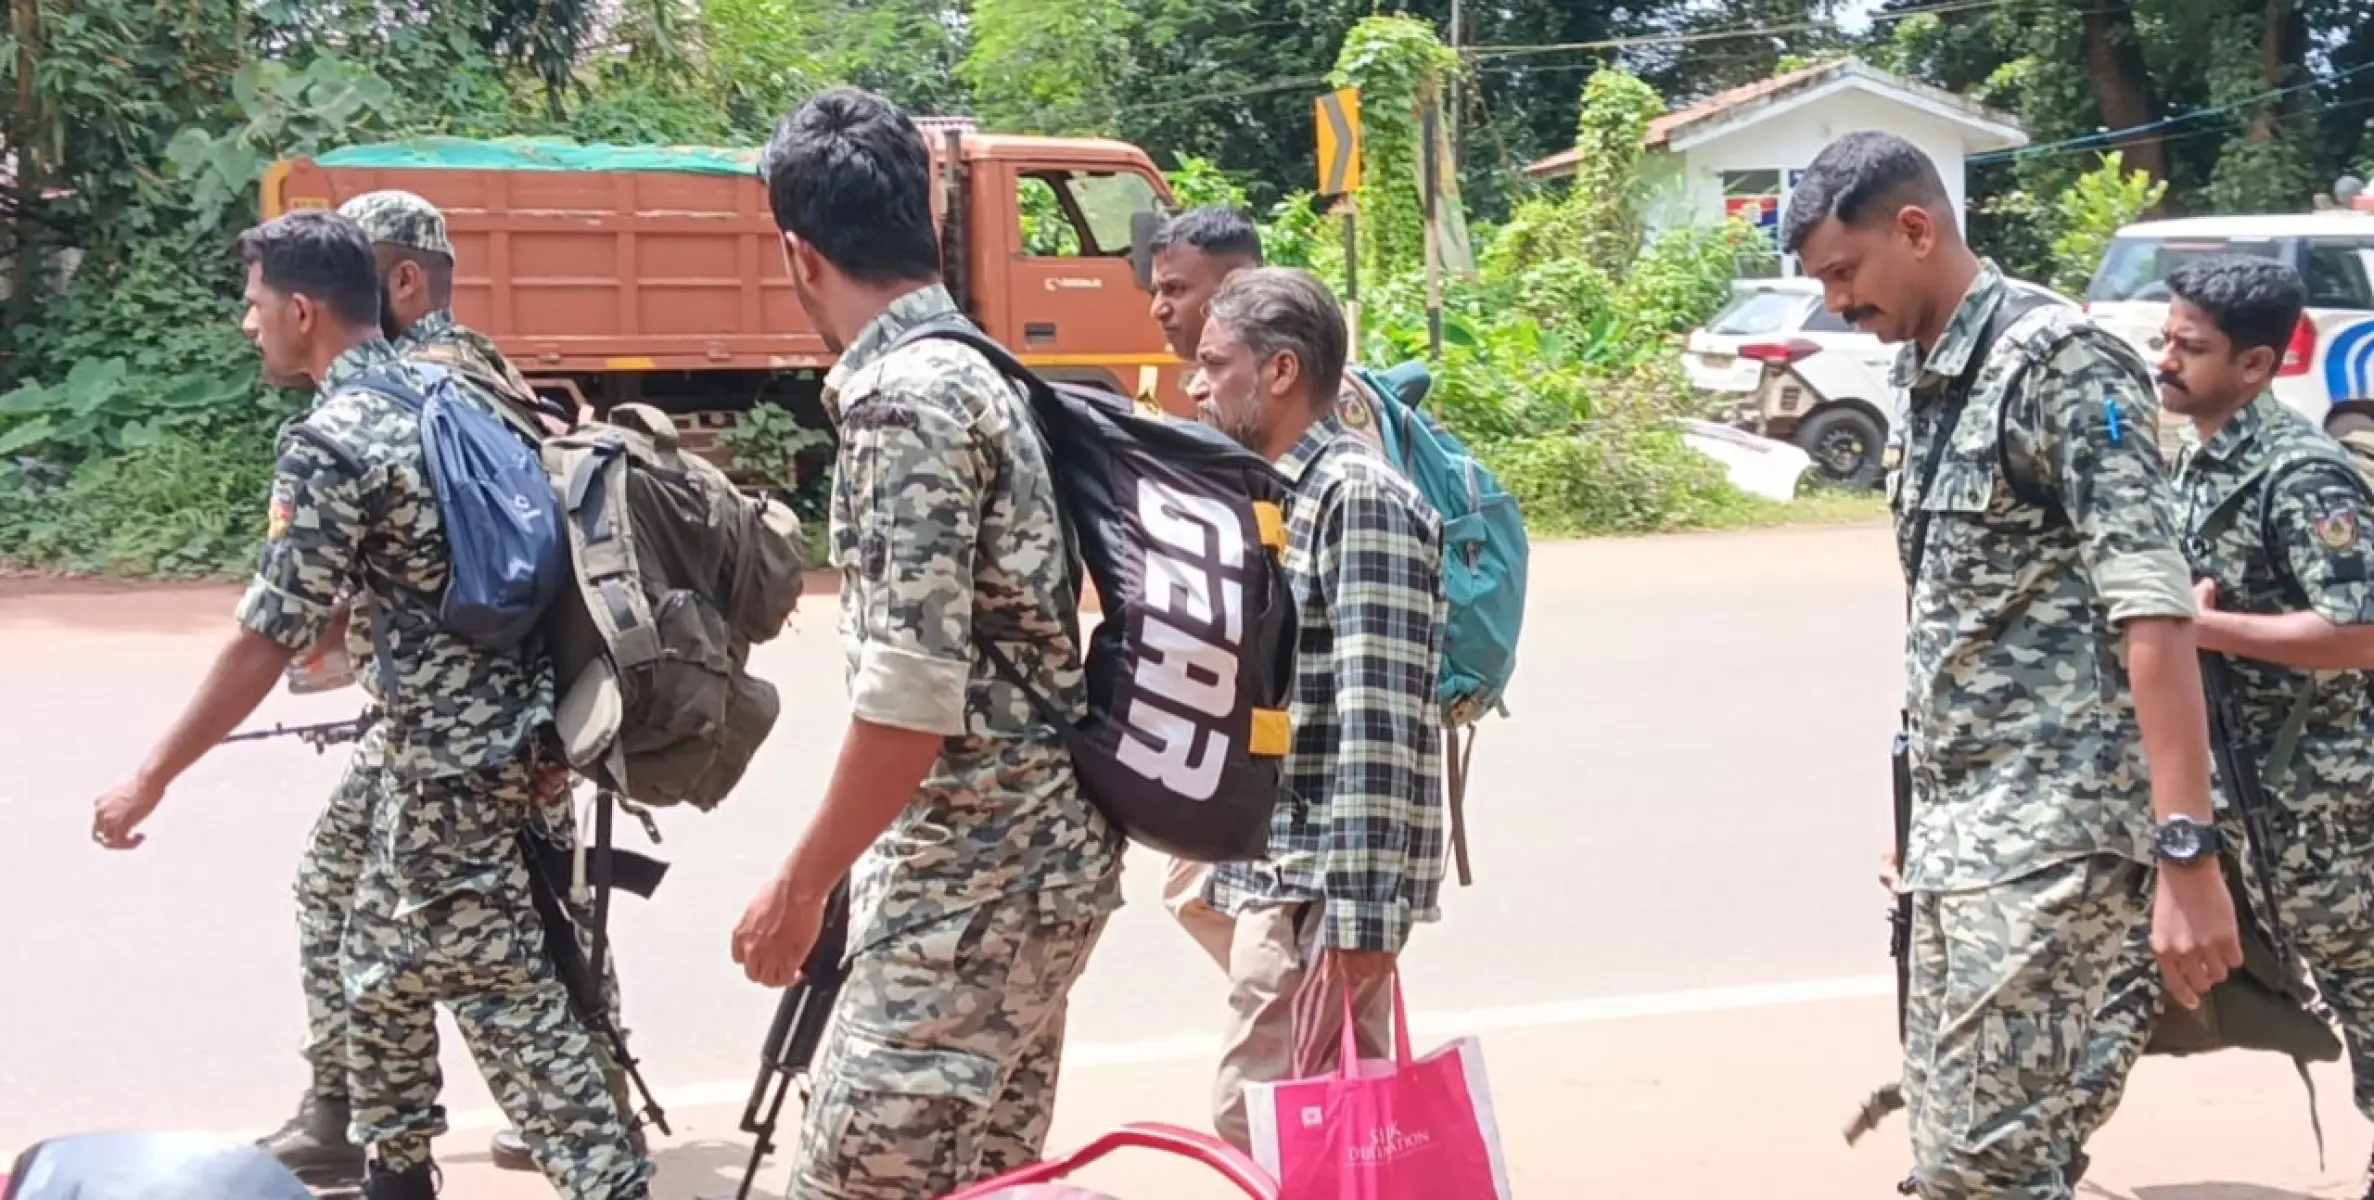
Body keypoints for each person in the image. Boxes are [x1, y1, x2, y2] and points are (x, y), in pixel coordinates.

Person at [90, 209, 654, 1200]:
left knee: (503, 999)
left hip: (449, 767)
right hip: (491, 741)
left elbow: (265, 638)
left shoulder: (334, 437)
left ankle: (614, 1185)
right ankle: (396, 1173)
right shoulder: (447, 390)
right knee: (374, 964)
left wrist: (149, 779)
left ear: (302, 310)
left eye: (255, 304)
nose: (247, 323)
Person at [1784, 131, 2241, 1199]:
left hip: (2059, 836)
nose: (1836, 304)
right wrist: (1918, 819)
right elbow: (1960, 617)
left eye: (1843, 274)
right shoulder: (1928, 374)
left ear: (1915, 227)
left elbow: (2154, 609)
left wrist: (2186, 853)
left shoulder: (2061, 362)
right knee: (1956, 1158)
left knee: (1979, 1173)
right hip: (1962, 838)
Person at [726, 87, 1124, 1199]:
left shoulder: (904, 406)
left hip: (974, 888)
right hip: (1033, 869)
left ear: (799, 252)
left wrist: (800, 887)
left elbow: (907, 704)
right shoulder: (982, 369)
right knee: (990, 1182)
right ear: (927, 219)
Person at [247, 189, 615, 1179]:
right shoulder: (483, 371)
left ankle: (376, 1121)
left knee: (467, 952)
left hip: (456, 729)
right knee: (499, 915)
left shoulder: (409, 386)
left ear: (400, 280)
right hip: (518, 711)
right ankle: (399, 1144)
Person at [2069, 254, 2374, 1196]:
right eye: (2165, 339)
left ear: (2255, 366)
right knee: (2114, 963)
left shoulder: (2304, 476)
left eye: (2189, 348)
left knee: (2364, 992)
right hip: (2220, 797)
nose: (2165, 359)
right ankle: (2014, 1156)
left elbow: (2361, 631)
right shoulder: (2192, 459)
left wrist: (2200, 626)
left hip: (2322, 806)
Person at [1184, 266, 1449, 1152]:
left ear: (1282, 372)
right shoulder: (1279, 493)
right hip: (1283, 879)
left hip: (1319, 896)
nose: (1196, 383)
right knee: (1312, 1133)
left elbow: (1381, 724)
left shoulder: (1356, 499)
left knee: (1269, 1126)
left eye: (1215, 363)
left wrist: (1362, 923)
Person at [1143, 205, 1399, 969]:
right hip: (1254, 753)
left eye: (1178, 289)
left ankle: (1321, 984)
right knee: (1205, 899)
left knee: (1276, 957)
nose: (1162, 307)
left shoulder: (1332, 433)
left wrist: (1360, 920)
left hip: (1313, 774)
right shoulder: (1224, 404)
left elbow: (1363, 668)